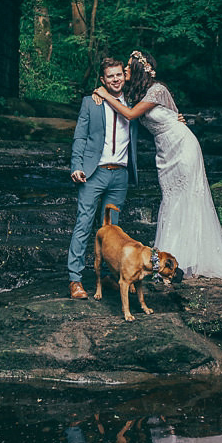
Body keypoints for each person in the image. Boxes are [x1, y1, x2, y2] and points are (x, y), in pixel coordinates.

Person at [92, 50, 222, 279]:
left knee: (187, 197)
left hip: (183, 147)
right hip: (165, 153)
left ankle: (185, 260)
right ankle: (175, 258)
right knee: (172, 199)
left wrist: (105, 94)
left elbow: (136, 115)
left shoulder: (157, 90)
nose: (125, 72)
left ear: (140, 69)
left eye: (129, 68)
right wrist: (99, 95)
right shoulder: (139, 95)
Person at [67, 58, 139, 299]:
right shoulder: (91, 102)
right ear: (103, 80)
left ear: (124, 76)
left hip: (120, 175)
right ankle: (75, 280)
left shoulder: (134, 103)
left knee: (114, 231)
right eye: (110, 76)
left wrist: (177, 120)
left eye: (119, 75)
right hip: (93, 173)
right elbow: (80, 137)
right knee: (84, 224)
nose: (116, 79)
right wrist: (76, 165)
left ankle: (111, 276)